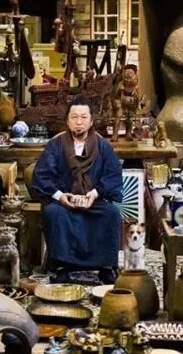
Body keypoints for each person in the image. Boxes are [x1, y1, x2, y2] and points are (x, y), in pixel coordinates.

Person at [32, 96, 123, 284]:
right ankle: (62, 267)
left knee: (111, 213)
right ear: (67, 121)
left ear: (91, 121)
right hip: (65, 203)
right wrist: (60, 196)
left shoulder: (103, 147)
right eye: (74, 117)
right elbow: (42, 175)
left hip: (93, 202)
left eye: (83, 117)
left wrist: (94, 194)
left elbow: (112, 175)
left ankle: (106, 267)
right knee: (53, 213)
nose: (79, 122)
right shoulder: (55, 146)